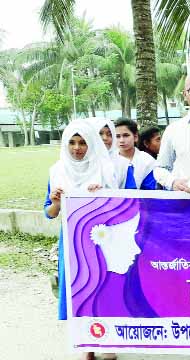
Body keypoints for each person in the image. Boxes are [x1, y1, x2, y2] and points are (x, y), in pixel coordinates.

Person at [44, 119, 120, 360]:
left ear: (92, 144)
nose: (77, 148)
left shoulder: (106, 169)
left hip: (102, 240)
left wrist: (104, 195)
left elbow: (121, 207)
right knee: (79, 291)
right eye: (72, 142)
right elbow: (49, 212)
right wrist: (56, 201)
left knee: (103, 290)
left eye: (83, 142)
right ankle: (86, 345)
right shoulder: (57, 171)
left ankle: (108, 342)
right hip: (72, 240)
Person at [115, 118, 158, 190]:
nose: (121, 140)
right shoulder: (109, 160)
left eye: (126, 135)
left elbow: (150, 190)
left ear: (135, 137)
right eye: (118, 136)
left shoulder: (147, 161)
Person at [92, 117, 133, 189]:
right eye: (100, 134)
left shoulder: (124, 165)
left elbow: (131, 193)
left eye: (109, 134)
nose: (105, 138)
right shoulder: (83, 163)